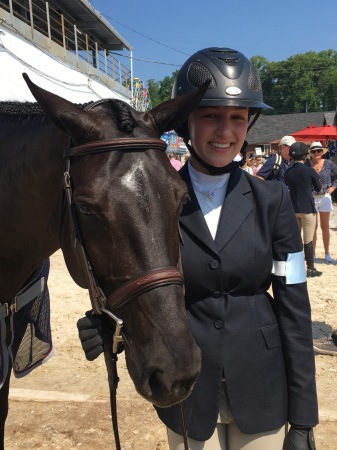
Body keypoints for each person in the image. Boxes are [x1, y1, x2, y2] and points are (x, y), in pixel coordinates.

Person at [78, 47, 318, 450]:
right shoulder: (153, 202)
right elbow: (139, 280)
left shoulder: (273, 201)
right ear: (186, 124)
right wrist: (111, 324)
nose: (225, 131)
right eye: (211, 115)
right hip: (188, 388)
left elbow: (295, 306)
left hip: (263, 381)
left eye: (237, 118)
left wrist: (305, 421)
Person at [284, 142, 322, 277]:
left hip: (293, 209)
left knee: (295, 239)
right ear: (305, 156)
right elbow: (318, 188)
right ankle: (310, 268)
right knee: (308, 240)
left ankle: (295, 267)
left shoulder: (287, 172)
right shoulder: (309, 170)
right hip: (307, 208)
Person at [306, 141, 337, 262]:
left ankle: (327, 253)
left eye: (318, 150)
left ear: (322, 152)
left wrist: (333, 187)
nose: (316, 153)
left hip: (325, 197)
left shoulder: (329, 163)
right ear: (311, 153)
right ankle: (312, 253)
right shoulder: (307, 164)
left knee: (325, 226)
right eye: (314, 151)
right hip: (311, 198)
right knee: (313, 227)